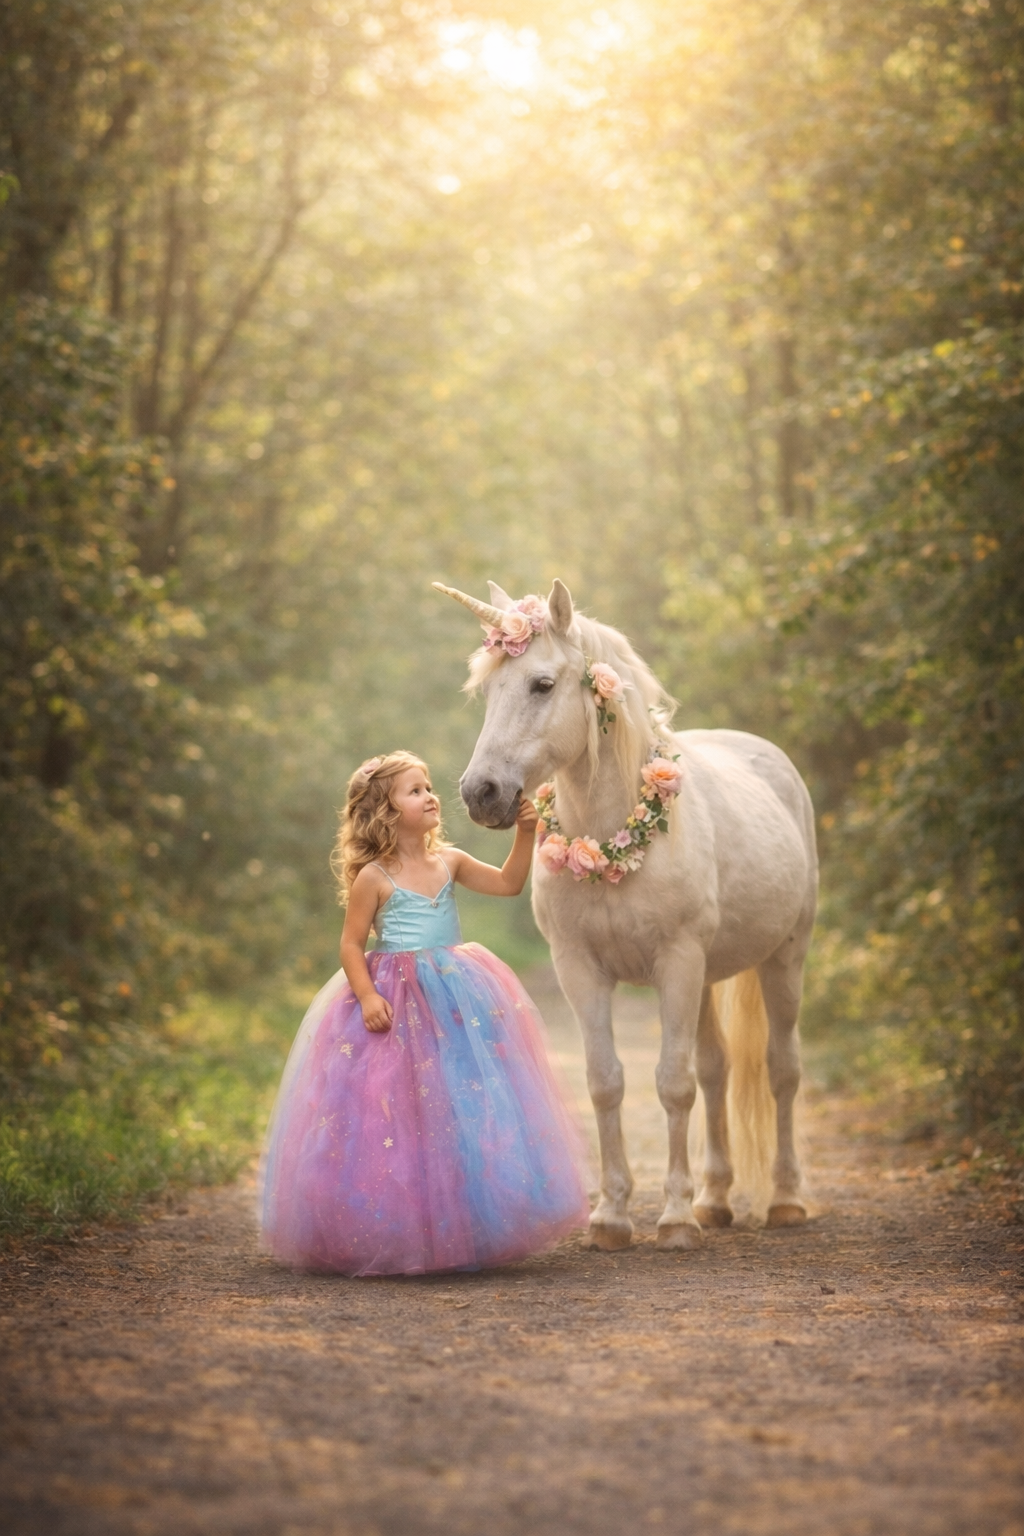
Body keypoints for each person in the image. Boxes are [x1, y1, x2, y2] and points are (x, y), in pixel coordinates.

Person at [259, 750, 590, 1276]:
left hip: (453, 995)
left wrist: (525, 834)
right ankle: (396, 1223)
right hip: (393, 996)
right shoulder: (373, 876)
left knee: (460, 1097)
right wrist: (368, 996)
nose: (431, 795)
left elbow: (507, 884)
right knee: (391, 1105)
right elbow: (350, 945)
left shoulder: (449, 861)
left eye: (429, 786)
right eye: (415, 790)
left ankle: (467, 1216)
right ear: (385, 811)